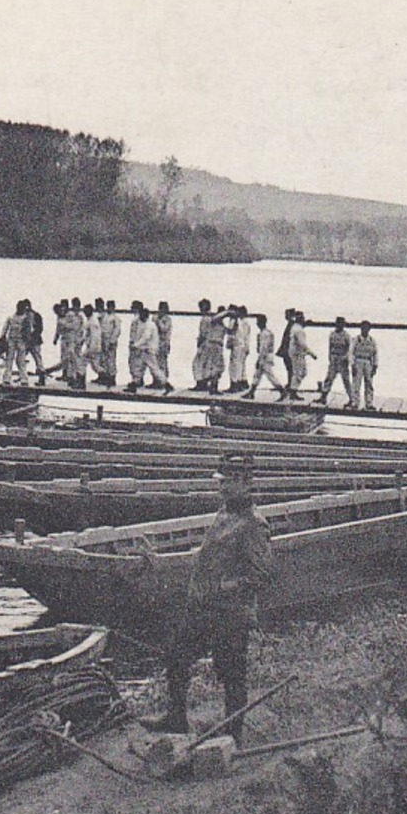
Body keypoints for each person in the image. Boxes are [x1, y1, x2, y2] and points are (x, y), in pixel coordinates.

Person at [141, 454, 271, 743]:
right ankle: (176, 718)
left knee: (231, 673)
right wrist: (164, 562)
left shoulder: (254, 524)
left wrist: (226, 587)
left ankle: (233, 735)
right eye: (220, 482)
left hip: (231, 614)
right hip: (204, 608)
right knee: (176, 655)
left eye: (226, 482)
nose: (220, 487)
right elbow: (207, 556)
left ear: (244, 483)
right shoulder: (225, 514)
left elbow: (261, 576)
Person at [316, 317, 355, 406]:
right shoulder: (332, 334)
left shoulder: (346, 336)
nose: (339, 325)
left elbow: (350, 349)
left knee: (346, 381)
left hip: (342, 360)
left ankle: (352, 399)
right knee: (329, 378)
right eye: (338, 323)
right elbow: (330, 346)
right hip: (334, 359)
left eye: (341, 324)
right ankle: (323, 397)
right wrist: (329, 357)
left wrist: (346, 359)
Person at [245, 313, 285, 399]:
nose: (257, 324)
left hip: (265, 357)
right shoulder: (266, 333)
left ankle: (282, 391)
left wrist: (259, 360)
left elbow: (264, 348)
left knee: (270, 376)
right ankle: (251, 392)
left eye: (258, 322)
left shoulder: (264, 334)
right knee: (257, 375)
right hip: (266, 356)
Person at [281, 311, 316, 401]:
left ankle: (293, 389)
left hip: (298, 353)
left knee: (302, 373)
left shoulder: (296, 327)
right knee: (297, 373)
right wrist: (312, 354)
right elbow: (302, 344)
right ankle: (293, 391)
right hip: (297, 354)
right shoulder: (298, 330)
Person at [125, 302, 159, 392]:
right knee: (139, 365)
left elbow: (140, 334)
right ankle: (137, 381)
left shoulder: (138, 320)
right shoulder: (139, 319)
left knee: (136, 364)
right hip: (139, 345)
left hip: (139, 345)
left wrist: (135, 344)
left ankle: (137, 381)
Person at [351, 321, 379, 410]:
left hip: (368, 362)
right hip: (358, 361)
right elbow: (351, 352)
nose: (365, 330)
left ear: (369, 329)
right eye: (363, 328)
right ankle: (355, 402)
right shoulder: (356, 339)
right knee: (356, 383)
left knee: (369, 383)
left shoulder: (372, 340)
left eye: (367, 328)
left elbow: (375, 353)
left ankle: (369, 403)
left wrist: (375, 365)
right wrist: (352, 364)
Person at [227, 306, 252, 392]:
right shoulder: (246, 322)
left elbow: (232, 334)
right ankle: (242, 382)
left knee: (235, 365)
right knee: (241, 365)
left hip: (237, 345)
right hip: (243, 345)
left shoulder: (236, 322)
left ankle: (235, 384)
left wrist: (229, 344)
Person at [97, 301, 121, 387]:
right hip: (103, 339)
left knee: (111, 359)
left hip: (110, 340)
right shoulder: (105, 316)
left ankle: (112, 377)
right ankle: (103, 376)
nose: (109, 308)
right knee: (103, 359)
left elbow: (117, 330)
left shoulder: (115, 318)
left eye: (111, 307)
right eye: (108, 306)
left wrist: (112, 340)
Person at [155, 302, 175, 394]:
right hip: (156, 342)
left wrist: (158, 321)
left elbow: (164, 329)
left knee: (163, 362)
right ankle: (156, 380)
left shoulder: (167, 319)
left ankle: (163, 381)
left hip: (164, 342)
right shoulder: (155, 318)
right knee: (155, 362)